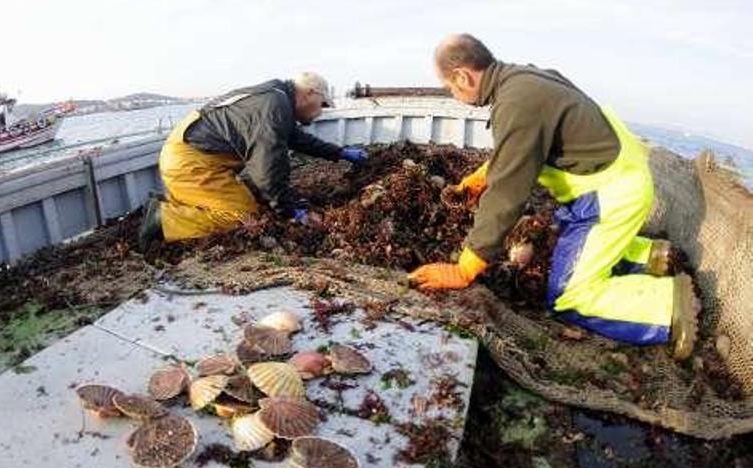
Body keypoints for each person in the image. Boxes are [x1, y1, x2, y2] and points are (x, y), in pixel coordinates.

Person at [409, 34, 698, 360]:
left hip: (611, 195)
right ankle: (652, 256)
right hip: (617, 177)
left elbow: (507, 193)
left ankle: (666, 305)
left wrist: (465, 268)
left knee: (569, 295)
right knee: (564, 238)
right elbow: (521, 150)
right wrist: (478, 179)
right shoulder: (524, 79)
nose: (453, 93)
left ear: (462, 76)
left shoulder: (515, 103)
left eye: (450, 87)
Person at [138, 72, 368, 247]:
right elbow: (268, 171)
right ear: (309, 94)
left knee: (244, 203)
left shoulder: (277, 99)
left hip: (190, 155)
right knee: (242, 216)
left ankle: (172, 203)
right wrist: (290, 212)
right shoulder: (274, 107)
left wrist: (339, 153)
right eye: (323, 104)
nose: (321, 111)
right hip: (191, 161)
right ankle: (162, 219)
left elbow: (297, 139)